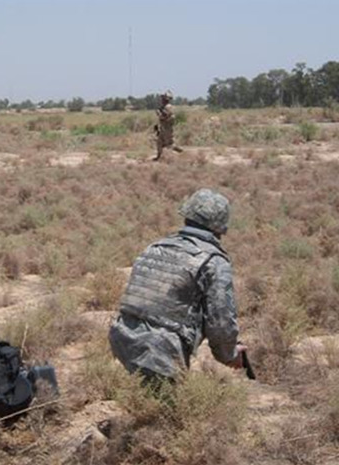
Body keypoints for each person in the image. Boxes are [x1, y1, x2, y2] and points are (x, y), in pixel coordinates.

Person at [109, 188, 245, 384]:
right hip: (161, 350)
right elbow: (221, 322)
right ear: (220, 227)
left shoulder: (155, 247)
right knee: (170, 412)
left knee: (145, 396)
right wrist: (229, 355)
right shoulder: (214, 261)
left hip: (122, 338)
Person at [153, 90, 183, 161]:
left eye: (163, 98)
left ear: (166, 99)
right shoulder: (163, 107)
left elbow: (164, 116)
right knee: (159, 142)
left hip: (167, 129)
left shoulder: (168, 107)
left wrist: (159, 114)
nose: (162, 99)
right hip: (163, 128)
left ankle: (181, 153)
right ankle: (159, 156)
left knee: (169, 144)